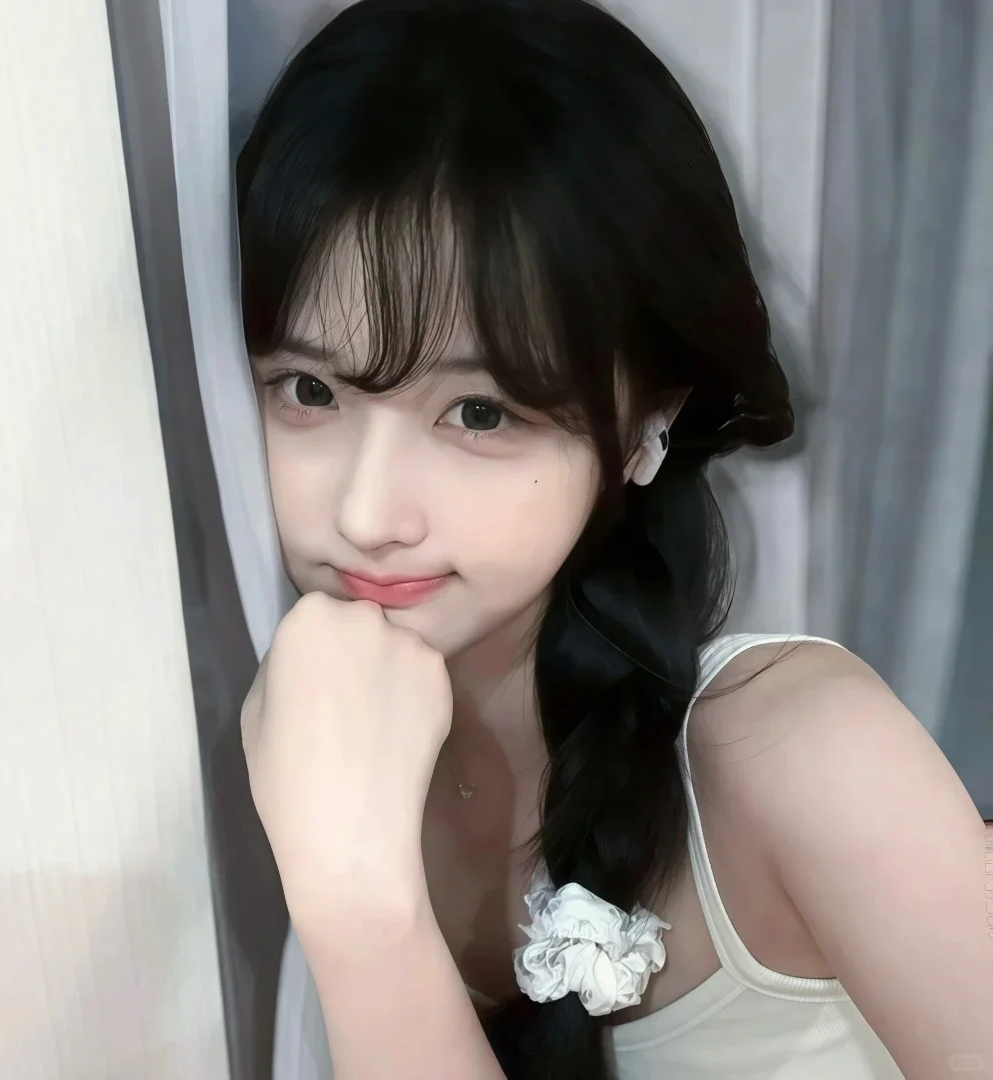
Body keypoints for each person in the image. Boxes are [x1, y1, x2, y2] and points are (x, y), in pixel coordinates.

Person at [234, 1, 991, 1077]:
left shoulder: (802, 759)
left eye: (479, 413)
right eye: (309, 391)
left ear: (645, 424)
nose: (365, 514)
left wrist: (368, 926)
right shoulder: (296, 737)